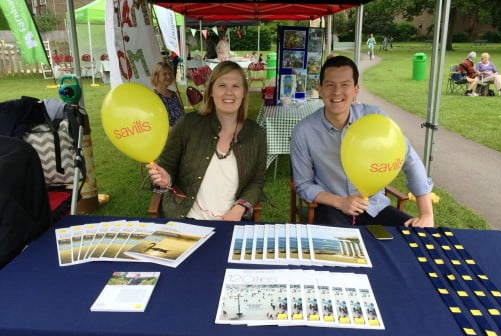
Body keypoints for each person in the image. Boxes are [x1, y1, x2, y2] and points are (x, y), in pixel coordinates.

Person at [290, 55, 434, 228]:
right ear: (320, 89)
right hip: (333, 209)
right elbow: (304, 185)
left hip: (375, 207)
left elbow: (408, 157)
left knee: (413, 241)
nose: (336, 92)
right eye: (330, 85)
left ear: (356, 89)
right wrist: (341, 202)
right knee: (336, 252)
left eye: (345, 85)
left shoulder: (375, 118)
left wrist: (426, 214)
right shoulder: (304, 132)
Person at [147, 61, 266, 221]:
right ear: (210, 91)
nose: (229, 92)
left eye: (236, 86)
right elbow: (167, 165)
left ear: (244, 92)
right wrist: (166, 178)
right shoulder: (188, 124)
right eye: (222, 85)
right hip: (186, 219)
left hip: (232, 223)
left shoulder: (256, 134)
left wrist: (239, 208)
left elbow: (257, 181)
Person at [150, 62, 185, 126]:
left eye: (170, 74)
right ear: (157, 76)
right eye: (164, 74)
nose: (168, 76)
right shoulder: (153, 96)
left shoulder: (173, 94)